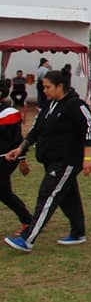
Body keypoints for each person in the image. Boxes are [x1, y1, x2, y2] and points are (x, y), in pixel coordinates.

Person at [3, 68, 91, 253]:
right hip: (50, 160)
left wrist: (87, 158)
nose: (44, 90)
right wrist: (21, 148)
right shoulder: (49, 105)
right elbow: (37, 130)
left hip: (67, 161)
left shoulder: (75, 105)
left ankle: (27, 238)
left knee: (47, 196)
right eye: (43, 87)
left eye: (48, 87)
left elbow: (89, 128)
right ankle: (78, 233)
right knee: (68, 197)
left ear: (60, 86)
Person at [0, 88, 32, 236]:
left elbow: (17, 139)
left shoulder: (9, 113)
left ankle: (27, 221)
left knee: (3, 191)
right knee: (4, 193)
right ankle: (28, 220)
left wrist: (22, 159)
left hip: (6, 157)